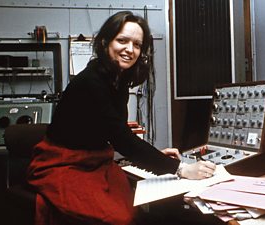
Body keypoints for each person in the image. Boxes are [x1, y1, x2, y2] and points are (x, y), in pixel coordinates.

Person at [26, 11, 216, 225]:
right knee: (119, 218)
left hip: (96, 160)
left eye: (137, 45)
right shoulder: (90, 82)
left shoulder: (118, 80)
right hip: (64, 165)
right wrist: (181, 169)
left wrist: (156, 158)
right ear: (106, 42)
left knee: (135, 210)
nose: (130, 50)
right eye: (122, 41)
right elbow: (122, 139)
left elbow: (114, 132)